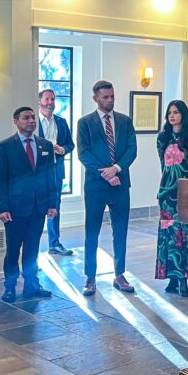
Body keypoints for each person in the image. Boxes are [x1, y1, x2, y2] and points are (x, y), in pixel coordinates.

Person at [77, 80, 138, 296]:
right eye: (105, 97)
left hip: (120, 184)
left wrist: (116, 169)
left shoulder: (125, 121)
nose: (110, 100)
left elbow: (132, 149)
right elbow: (83, 154)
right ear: (96, 98)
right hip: (96, 185)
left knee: (120, 231)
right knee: (91, 231)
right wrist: (106, 173)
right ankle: (90, 278)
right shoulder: (85, 123)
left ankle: (119, 274)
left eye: (112, 96)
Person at [0, 107, 58, 302]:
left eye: (32, 118)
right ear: (16, 121)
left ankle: (31, 285)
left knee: (32, 248)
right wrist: (2, 207)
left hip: (38, 207)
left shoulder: (45, 145)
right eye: (26, 118)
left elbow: (51, 176)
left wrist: (52, 203)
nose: (31, 121)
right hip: (14, 209)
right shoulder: (5, 146)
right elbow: (0, 179)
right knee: (13, 250)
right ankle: (10, 287)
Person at [156, 100, 188, 298]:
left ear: (183, 114)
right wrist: (165, 189)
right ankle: (171, 277)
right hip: (166, 194)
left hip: (184, 192)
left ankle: (183, 277)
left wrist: (173, 185)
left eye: (176, 112)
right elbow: (164, 168)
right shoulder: (162, 138)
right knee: (168, 235)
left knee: (182, 235)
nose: (172, 116)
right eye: (169, 113)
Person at [37, 88, 75, 256]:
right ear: (40, 102)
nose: (50, 103)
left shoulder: (61, 121)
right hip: (37, 173)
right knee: (36, 208)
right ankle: (33, 250)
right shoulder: (32, 122)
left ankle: (54, 244)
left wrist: (62, 149)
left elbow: (70, 145)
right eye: (47, 99)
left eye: (52, 99)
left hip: (56, 171)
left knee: (55, 206)